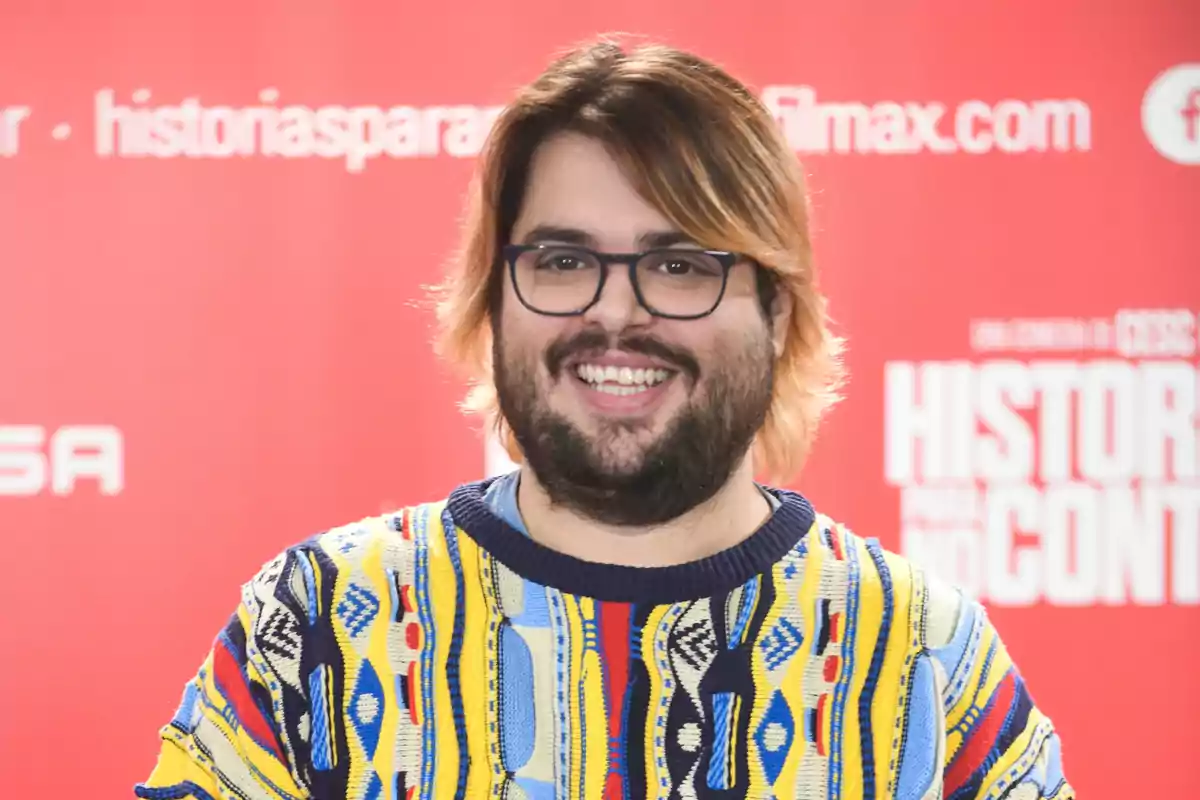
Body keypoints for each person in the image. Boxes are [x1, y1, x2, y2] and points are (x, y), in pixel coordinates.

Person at [136, 38, 1074, 800]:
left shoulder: (922, 658)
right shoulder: (320, 628)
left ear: (777, 310)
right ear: (495, 298)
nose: (616, 314)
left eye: (678, 266)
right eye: (561, 259)